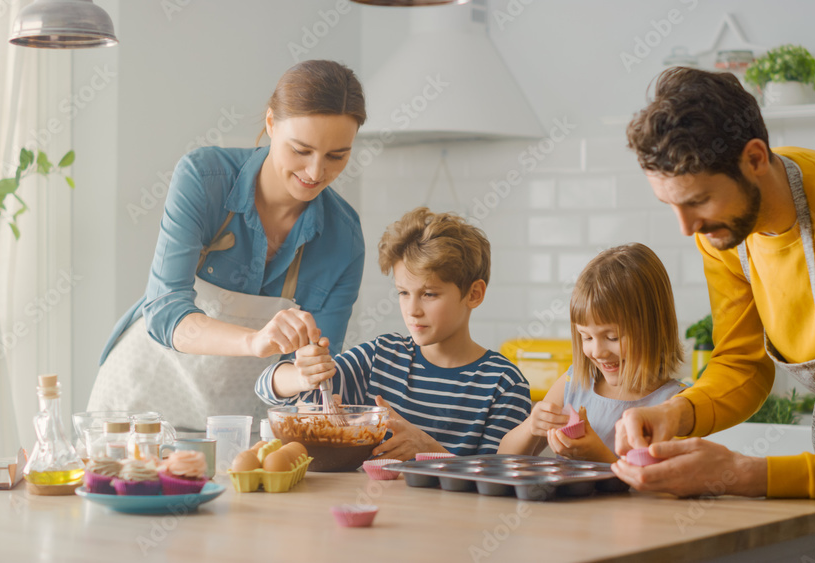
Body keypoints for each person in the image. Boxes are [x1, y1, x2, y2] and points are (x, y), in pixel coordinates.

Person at [612, 66, 815, 562]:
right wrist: (676, 413)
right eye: (671, 205)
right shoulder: (723, 228)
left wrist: (745, 474)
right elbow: (742, 366)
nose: (686, 228)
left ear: (754, 158)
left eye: (698, 201)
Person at [87, 60, 368, 431]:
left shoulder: (343, 241)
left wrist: (306, 372)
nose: (316, 172)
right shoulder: (204, 179)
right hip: (140, 404)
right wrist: (256, 342)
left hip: (238, 426)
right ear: (271, 124)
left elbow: (307, 375)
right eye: (301, 150)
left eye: (337, 156)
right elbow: (164, 310)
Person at [256, 207, 532, 459]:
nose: (412, 310)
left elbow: (497, 482)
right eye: (403, 293)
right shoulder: (382, 357)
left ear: (474, 294)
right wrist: (303, 375)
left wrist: (429, 450)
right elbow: (267, 387)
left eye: (429, 294)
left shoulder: (503, 384)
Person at [498, 244, 685, 462]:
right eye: (586, 337)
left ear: (655, 327)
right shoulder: (574, 382)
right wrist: (531, 426)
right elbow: (504, 458)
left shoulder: (675, 405)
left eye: (612, 337)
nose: (597, 352)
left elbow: (662, 489)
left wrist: (601, 457)